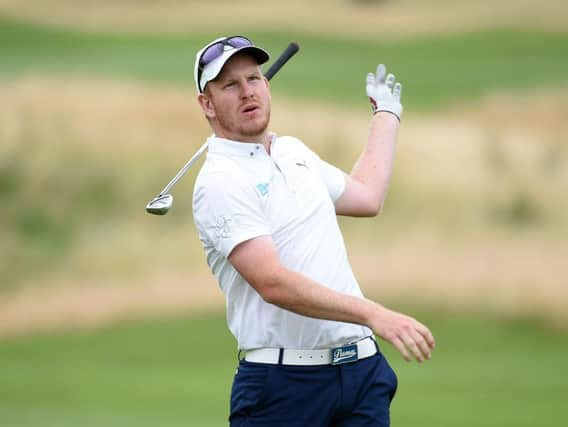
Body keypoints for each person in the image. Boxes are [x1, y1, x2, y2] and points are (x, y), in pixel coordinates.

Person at [191, 35, 435, 427]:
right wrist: (375, 314)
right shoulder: (220, 181)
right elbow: (272, 282)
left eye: (253, 79)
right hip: (283, 387)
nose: (247, 92)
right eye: (229, 85)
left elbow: (367, 197)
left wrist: (386, 115)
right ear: (207, 104)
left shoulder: (293, 153)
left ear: (267, 85)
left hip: (360, 373)